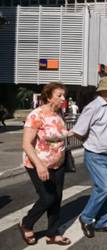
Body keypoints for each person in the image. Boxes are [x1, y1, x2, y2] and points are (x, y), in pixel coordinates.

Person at [19, 82, 71, 246]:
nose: (63, 98)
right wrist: (40, 165)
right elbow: (26, 144)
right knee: (48, 197)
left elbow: (59, 135)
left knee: (57, 199)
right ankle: (26, 224)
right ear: (48, 96)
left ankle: (52, 234)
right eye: (59, 95)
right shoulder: (36, 115)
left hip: (58, 164)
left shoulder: (59, 113)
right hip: (37, 164)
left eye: (64, 95)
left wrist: (74, 133)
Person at [71, 76, 107, 238]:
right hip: (95, 155)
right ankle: (86, 218)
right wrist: (90, 142)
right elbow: (78, 131)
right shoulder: (93, 107)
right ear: (103, 91)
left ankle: (102, 223)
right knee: (104, 188)